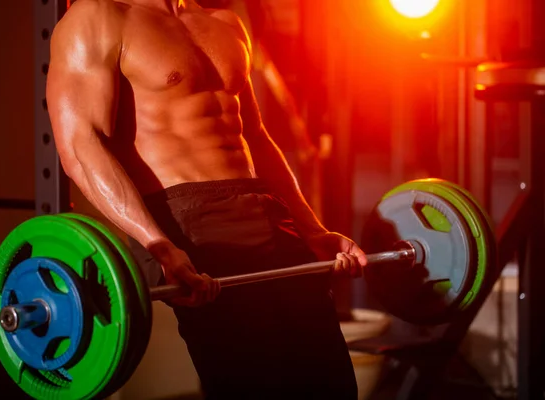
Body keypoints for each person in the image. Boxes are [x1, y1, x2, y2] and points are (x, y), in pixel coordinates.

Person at [46, 0, 368, 398]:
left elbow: (256, 138)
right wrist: (157, 243)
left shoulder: (226, 22)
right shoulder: (100, 17)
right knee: (255, 382)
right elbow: (81, 145)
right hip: (190, 219)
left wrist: (311, 228)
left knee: (330, 380)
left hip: (267, 210)